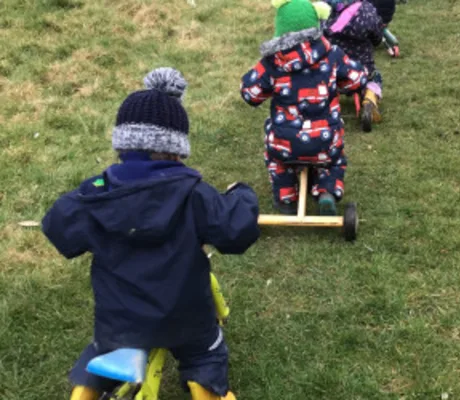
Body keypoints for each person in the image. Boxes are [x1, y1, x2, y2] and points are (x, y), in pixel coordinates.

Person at [43, 68, 259, 400]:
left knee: (104, 351)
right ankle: (205, 385)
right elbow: (236, 230)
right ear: (177, 149)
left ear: (122, 144)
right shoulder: (194, 193)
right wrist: (241, 194)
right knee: (205, 351)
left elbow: (58, 228)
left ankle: (87, 388)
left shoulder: (97, 195)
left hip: (121, 319)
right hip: (185, 317)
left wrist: (87, 193)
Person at [241, 0, 367, 216]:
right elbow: (357, 79)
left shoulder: (272, 62)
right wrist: (339, 83)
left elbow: (250, 94)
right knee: (335, 159)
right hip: (324, 140)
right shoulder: (332, 54)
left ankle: (286, 198)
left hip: (285, 143)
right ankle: (327, 191)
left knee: (277, 159)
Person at [324, 0, 384, 130]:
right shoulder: (367, 10)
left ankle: (323, 103)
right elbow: (377, 38)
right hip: (360, 72)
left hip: (332, 71)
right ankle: (369, 98)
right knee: (375, 77)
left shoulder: (325, 8)